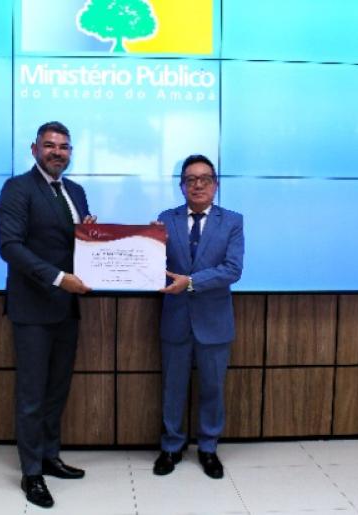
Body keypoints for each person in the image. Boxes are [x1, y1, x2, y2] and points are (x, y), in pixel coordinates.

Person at [0, 121, 96, 509]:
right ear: (34, 149)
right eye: (50, 145)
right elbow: (10, 246)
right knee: (32, 395)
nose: (58, 152)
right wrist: (57, 278)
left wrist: (93, 236)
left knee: (56, 390)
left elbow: (76, 245)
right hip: (34, 308)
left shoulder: (76, 192)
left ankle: (50, 456)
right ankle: (31, 472)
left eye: (64, 146)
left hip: (67, 308)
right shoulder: (18, 189)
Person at [153, 154, 244, 479]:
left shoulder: (232, 221)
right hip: (175, 319)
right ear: (181, 186)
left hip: (214, 321)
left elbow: (232, 270)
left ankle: (208, 448)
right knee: (173, 388)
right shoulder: (165, 219)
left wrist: (190, 282)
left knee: (212, 389)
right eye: (191, 179)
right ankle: (171, 446)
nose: (198, 185)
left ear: (215, 184)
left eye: (205, 179)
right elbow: (151, 262)